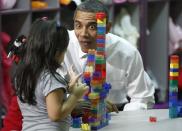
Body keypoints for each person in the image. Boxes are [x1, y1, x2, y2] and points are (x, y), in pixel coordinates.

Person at [63, 0, 155, 112]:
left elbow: (143, 98)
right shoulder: (62, 47)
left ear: (107, 28)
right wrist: (73, 103)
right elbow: (47, 94)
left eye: (92, 27)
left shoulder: (127, 53)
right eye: (78, 25)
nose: (83, 34)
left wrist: (121, 117)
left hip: (115, 111)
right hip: (71, 111)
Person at [15, 18, 88, 131]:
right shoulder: (51, 79)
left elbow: (42, 100)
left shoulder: (24, 75)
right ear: (57, 53)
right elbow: (55, 114)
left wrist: (68, 88)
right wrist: (75, 95)